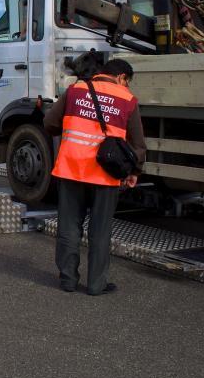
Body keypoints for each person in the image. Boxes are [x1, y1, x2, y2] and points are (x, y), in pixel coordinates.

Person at [43, 59, 146, 296]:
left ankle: (68, 280)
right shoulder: (127, 99)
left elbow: (49, 123)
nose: (127, 86)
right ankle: (96, 285)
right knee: (100, 230)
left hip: (71, 169)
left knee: (69, 227)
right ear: (121, 77)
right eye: (127, 82)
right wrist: (134, 171)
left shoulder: (75, 90)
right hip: (105, 174)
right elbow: (138, 143)